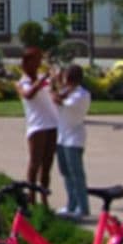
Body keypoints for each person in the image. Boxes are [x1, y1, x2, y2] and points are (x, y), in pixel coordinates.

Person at [16, 47, 59, 206]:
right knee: (35, 163)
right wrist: (43, 80)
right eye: (37, 59)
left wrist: (54, 82)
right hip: (37, 126)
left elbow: (54, 93)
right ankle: (32, 198)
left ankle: (44, 198)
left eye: (40, 58)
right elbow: (29, 95)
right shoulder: (22, 82)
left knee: (47, 165)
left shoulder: (43, 78)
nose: (40, 62)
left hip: (52, 123)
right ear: (27, 62)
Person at [52, 64, 91, 219]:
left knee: (76, 174)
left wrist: (54, 83)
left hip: (74, 139)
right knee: (66, 173)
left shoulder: (81, 95)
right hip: (62, 137)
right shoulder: (68, 92)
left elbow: (57, 99)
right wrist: (55, 81)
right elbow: (59, 94)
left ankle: (83, 207)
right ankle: (71, 205)